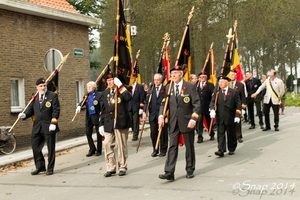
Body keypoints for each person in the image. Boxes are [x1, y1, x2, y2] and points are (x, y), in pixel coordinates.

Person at [158, 65, 200, 181]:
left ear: (181, 74)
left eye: (176, 73)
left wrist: (193, 119)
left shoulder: (190, 86)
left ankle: (190, 169)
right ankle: (169, 172)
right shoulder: (168, 87)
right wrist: (161, 115)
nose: (173, 75)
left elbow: (197, 104)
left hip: (187, 121)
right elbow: (163, 103)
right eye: (172, 73)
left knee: (189, 146)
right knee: (172, 146)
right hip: (173, 121)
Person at [18, 78, 60, 175]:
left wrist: (53, 122)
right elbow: (31, 110)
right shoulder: (34, 96)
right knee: (35, 146)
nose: (43, 87)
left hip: (49, 126)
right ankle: (40, 166)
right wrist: (24, 115)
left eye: (44, 85)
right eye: (41, 86)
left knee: (50, 148)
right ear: (37, 87)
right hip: (37, 126)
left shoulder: (52, 95)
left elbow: (56, 110)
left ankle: (50, 168)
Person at [99, 74, 132, 177]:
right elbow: (103, 110)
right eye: (108, 80)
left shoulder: (122, 90)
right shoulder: (105, 93)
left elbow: (128, 98)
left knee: (121, 146)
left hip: (120, 121)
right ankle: (111, 167)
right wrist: (101, 124)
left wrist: (121, 86)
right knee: (107, 144)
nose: (109, 82)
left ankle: (122, 166)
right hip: (108, 122)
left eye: (111, 80)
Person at [209, 75, 241, 157]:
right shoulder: (216, 93)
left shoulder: (234, 92)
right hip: (220, 117)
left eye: (222, 82)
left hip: (230, 117)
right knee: (220, 134)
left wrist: (237, 115)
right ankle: (221, 149)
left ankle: (232, 148)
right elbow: (212, 102)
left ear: (227, 82)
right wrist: (212, 109)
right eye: (219, 82)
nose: (220, 83)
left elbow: (238, 105)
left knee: (231, 134)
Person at [142, 73, 168, 157]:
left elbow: (168, 103)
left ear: (161, 80)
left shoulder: (165, 89)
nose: (156, 81)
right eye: (155, 80)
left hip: (162, 114)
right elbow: (147, 102)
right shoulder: (151, 90)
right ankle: (155, 149)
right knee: (153, 132)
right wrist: (144, 111)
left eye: (158, 80)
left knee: (163, 132)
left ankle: (163, 149)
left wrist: (166, 116)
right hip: (153, 114)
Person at [76, 81, 103, 157]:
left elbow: (101, 105)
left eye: (89, 87)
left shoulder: (99, 94)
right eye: (87, 87)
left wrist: (101, 115)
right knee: (88, 132)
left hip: (96, 115)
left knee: (98, 133)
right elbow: (82, 102)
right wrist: (79, 106)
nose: (88, 89)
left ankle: (99, 150)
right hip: (89, 116)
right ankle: (92, 148)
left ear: (94, 87)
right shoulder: (87, 96)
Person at [196, 71, 215, 143]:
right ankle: (200, 136)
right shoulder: (196, 85)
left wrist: (211, 106)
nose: (202, 78)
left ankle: (211, 133)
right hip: (199, 107)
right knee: (199, 122)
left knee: (209, 121)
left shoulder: (210, 85)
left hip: (207, 106)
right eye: (200, 77)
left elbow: (213, 95)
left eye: (203, 77)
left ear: (206, 77)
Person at [230, 70, 246, 143]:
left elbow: (243, 97)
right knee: (229, 122)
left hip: (237, 106)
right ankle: (231, 137)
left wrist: (243, 107)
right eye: (230, 75)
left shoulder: (240, 85)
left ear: (236, 76)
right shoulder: (227, 84)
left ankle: (239, 136)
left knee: (237, 122)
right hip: (228, 106)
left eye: (233, 75)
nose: (231, 76)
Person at [128, 74, 145, 141]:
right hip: (129, 106)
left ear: (135, 78)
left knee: (135, 121)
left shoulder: (139, 86)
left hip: (136, 105)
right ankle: (133, 130)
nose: (132, 79)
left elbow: (142, 97)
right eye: (131, 78)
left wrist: (141, 108)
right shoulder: (128, 86)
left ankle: (135, 135)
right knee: (131, 121)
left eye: (133, 78)